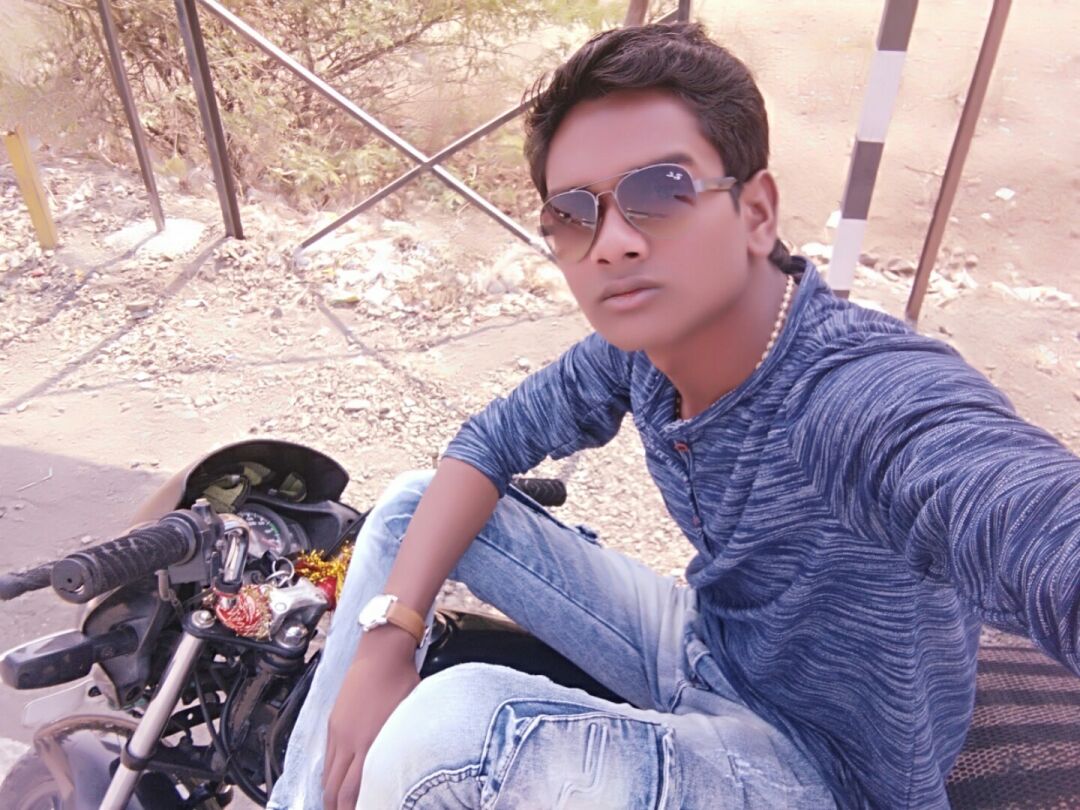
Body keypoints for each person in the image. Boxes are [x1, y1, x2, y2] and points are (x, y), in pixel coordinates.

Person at [268, 21, 1080, 810]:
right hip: (707, 643)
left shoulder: (854, 395)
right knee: (412, 508)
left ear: (756, 211)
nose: (612, 242)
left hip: (824, 764)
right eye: (574, 214)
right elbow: (487, 442)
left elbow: (1019, 508)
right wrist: (388, 637)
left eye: (660, 191)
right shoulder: (641, 352)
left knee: (450, 731)